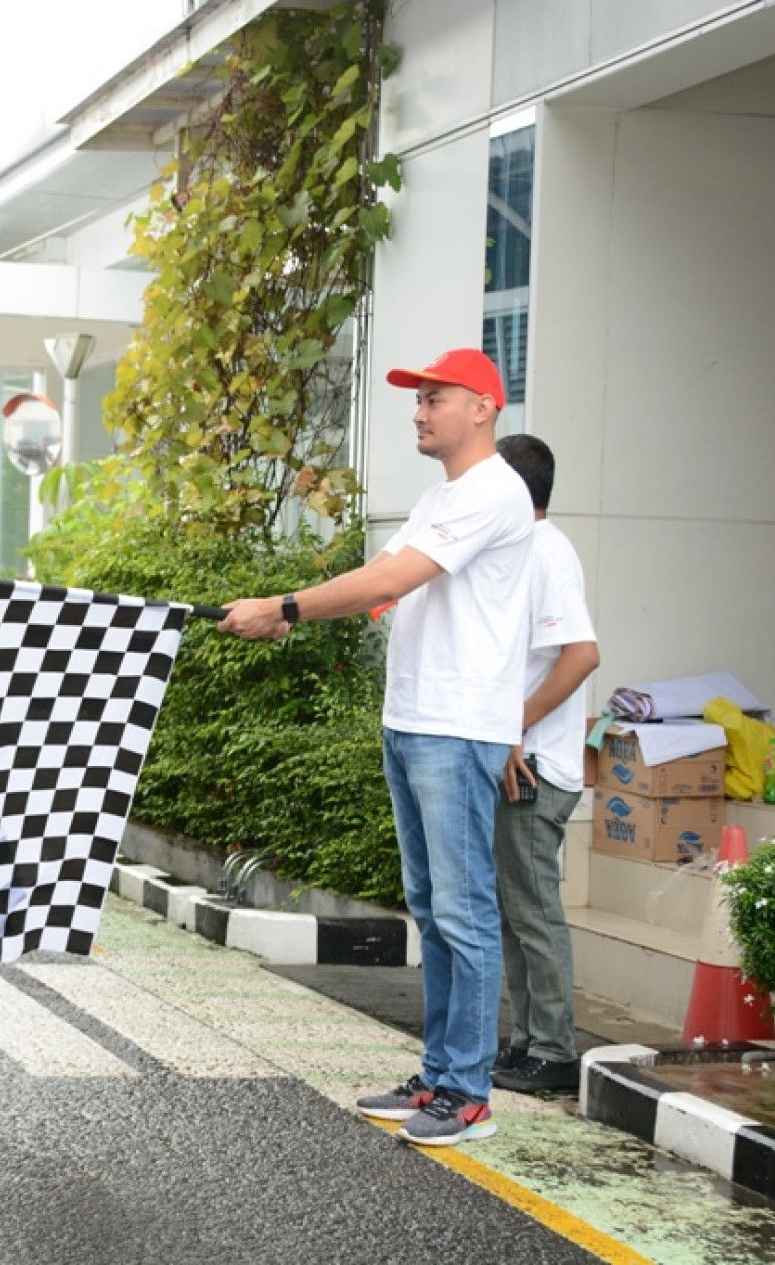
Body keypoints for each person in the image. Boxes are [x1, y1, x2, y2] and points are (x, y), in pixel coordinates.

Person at [219, 347, 533, 1146]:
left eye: (435, 398)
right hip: (416, 719)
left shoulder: (496, 490)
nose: (419, 412)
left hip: (458, 726)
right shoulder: (441, 495)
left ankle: (467, 1091)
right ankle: (439, 1073)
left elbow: (388, 582)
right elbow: (386, 572)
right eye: (417, 400)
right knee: (432, 907)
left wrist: (284, 606)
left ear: (483, 407)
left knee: (463, 912)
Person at [489, 434, 600, 1096]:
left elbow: (582, 655)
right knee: (516, 908)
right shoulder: (524, 550)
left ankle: (555, 1050)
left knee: (533, 909)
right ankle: (530, 1040)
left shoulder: (548, 552)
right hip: (518, 759)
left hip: (536, 765)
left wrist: (515, 726)